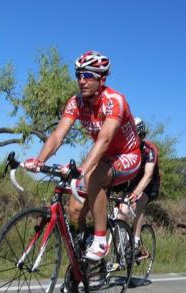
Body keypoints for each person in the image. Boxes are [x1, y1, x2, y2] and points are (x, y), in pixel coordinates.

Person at [24, 50, 141, 261]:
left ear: (102, 79)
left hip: (128, 155)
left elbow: (104, 139)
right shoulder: (75, 102)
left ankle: (100, 241)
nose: (81, 80)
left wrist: (82, 170)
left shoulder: (115, 101)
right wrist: (40, 160)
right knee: (75, 208)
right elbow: (58, 135)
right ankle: (81, 262)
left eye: (87, 75)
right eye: (78, 75)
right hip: (102, 157)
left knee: (93, 176)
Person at [116, 118, 160, 253]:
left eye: (136, 136)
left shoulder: (150, 149)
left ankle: (136, 241)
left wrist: (135, 194)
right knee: (122, 210)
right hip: (133, 182)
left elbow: (148, 175)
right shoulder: (126, 149)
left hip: (149, 184)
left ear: (142, 135)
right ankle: (121, 245)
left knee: (138, 203)